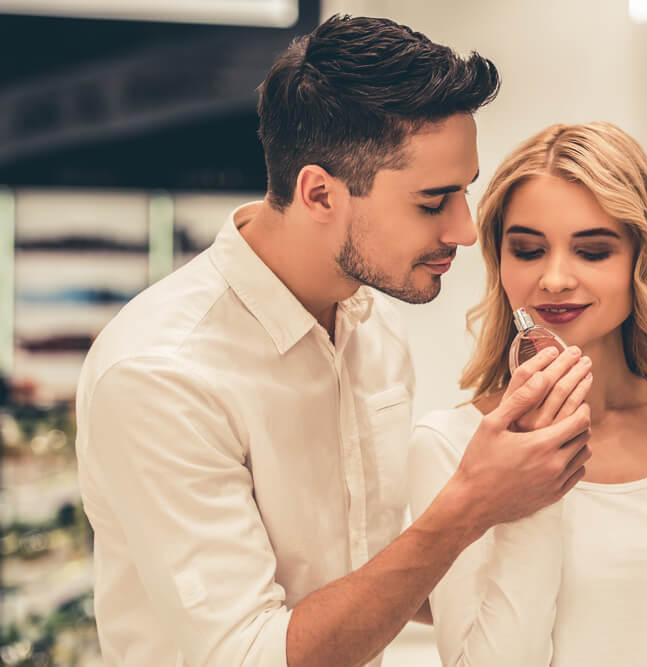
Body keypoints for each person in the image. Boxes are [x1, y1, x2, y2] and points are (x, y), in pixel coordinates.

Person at [74, 15, 593, 667]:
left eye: (465, 192)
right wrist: (470, 503)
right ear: (319, 192)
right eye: (433, 202)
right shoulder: (159, 374)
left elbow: (367, 566)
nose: (465, 230)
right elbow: (251, 655)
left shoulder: (373, 325)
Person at [408, 122, 647, 666]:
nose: (556, 278)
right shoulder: (450, 448)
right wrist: (529, 494)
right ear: (500, 262)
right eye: (528, 250)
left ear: (645, 258)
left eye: (592, 252)